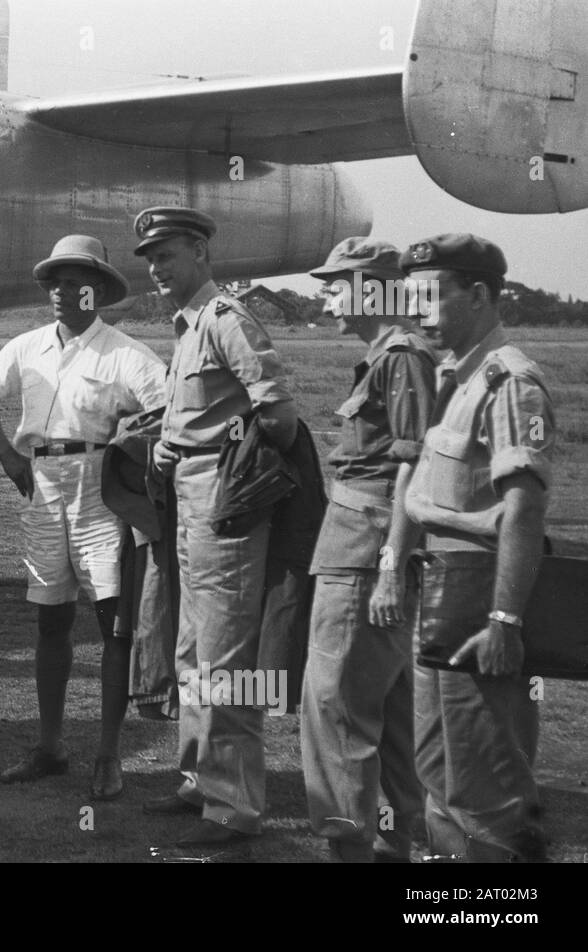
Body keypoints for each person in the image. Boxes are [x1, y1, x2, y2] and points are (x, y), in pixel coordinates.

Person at [0, 234, 165, 801]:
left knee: (112, 622)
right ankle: (51, 745)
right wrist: (8, 458)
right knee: (50, 619)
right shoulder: (26, 346)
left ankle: (108, 754)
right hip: (41, 484)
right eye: (53, 280)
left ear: (98, 289)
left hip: (100, 489)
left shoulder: (126, 353)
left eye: (73, 279)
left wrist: (134, 449)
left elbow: (168, 409)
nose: (59, 290)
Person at [134, 207, 296, 847]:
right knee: (193, 648)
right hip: (189, 497)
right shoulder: (187, 328)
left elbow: (277, 413)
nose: (155, 268)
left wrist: (234, 464)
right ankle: (200, 782)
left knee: (226, 655)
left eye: (166, 255)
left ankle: (234, 808)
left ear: (200, 251)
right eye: (149, 258)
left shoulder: (227, 320)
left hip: (224, 499)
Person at [399, 234, 553, 862]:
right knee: (441, 767)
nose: (418, 312)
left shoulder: (509, 381)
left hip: (477, 601)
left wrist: (505, 621)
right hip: (441, 593)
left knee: (485, 781)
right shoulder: (454, 379)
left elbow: (523, 509)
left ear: (482, 294)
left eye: (431, 297)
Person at [299, 238, 435, 862]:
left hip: (365, 547)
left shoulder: (400, 355)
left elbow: (414, 467)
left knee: (337, 706)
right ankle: (392, 844)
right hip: (358, 540)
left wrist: (388, 567)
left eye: (336, 283)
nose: (325, 295)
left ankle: (352, 847)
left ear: (369, 287)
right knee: (385, 707)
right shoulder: (385, 356)